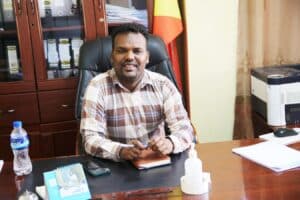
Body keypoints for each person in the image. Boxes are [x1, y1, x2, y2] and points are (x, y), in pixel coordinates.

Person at [80, 23, 194, 161]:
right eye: (122, 50)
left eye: (137, 51)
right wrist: (121, 150)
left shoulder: (163, 85)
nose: (129, 57)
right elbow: (90, 139)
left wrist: (169, 143)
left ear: (147, 57)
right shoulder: (97, 87)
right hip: (116, 166)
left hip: (157, 161)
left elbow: (185, 129)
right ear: (112, 57)